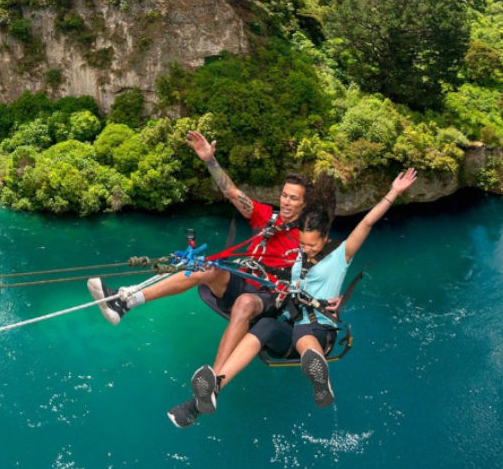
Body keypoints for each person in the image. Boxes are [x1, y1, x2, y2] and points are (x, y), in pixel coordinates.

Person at [166, 168, 419, 427]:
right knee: (266, 327)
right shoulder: (298, 258)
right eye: (302, 244)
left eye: (312, 245)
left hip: (320, 329)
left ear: (326, 239)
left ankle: (320, 379)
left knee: (305, 335)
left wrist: (394, 192)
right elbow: (280, 274)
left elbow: (366, 223)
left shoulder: (340, 255)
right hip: (293, 324)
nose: (305, 250)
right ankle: (214, 388)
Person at [87, 130, 310, 372]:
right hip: (241, 282)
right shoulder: (267, 216)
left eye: (294, 198)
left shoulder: (307, 237)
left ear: (304, 204)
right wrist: (209, 160)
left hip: (267, 297)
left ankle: (215, 378)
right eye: (284, 195)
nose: (286, 201)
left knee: (245, 303)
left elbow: (324, 270)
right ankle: (126, 302)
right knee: (205, 268)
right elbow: (232, 193)